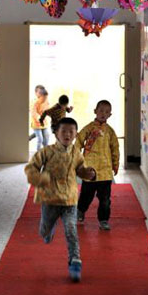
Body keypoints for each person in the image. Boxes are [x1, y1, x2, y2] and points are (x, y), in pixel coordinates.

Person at [24, 117, 97, 282]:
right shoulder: (46, 152)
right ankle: (48, 230)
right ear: (56, 133)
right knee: (44, 231)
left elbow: (80, 169)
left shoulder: (76, 153)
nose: (67, 134)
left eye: (71, 132)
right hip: (50, 199)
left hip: (70, 200)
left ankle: (75, 262)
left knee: (71, 230)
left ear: (76, 134)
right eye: (63, 131)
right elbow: (31, 168)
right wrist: (40, 179)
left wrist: (88, 174)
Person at [76, 100, 119, 231]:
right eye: (101, 111)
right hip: (90, 169)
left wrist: (115, 164)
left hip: (105, 171)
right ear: (95, 111)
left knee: (105, 199)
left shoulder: (110, 132)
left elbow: (115, 148)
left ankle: (104, 220)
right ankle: (80, 211)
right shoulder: (89, 128)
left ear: (110, 115)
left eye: (106, 112)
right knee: (86, 195)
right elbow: (78, 140)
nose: (103, 114)